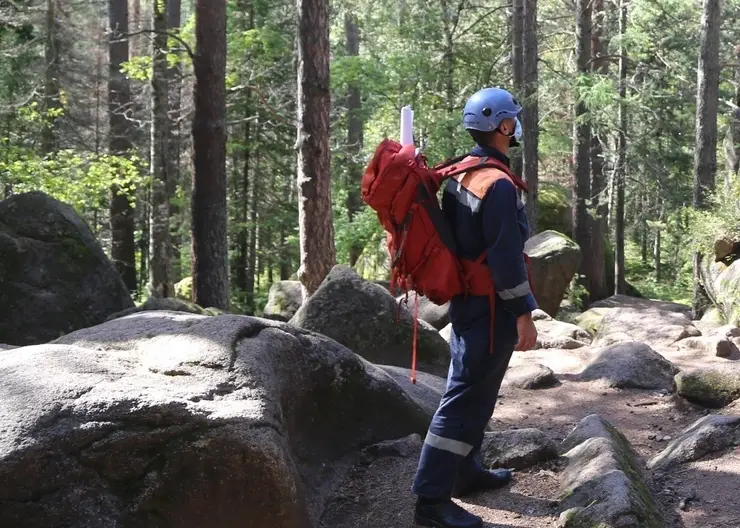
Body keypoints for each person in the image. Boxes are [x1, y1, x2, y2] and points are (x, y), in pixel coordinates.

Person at [411, 87, 539, 528]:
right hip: (489, 309)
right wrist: (524, 312)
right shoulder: (498, 184)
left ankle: (465, 471)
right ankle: (430, 502)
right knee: (464, 397)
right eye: (514, 119)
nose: (517, 125)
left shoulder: (462, 173)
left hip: (469, 302)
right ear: (503, 126)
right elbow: (505, 259)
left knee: (477, 392)